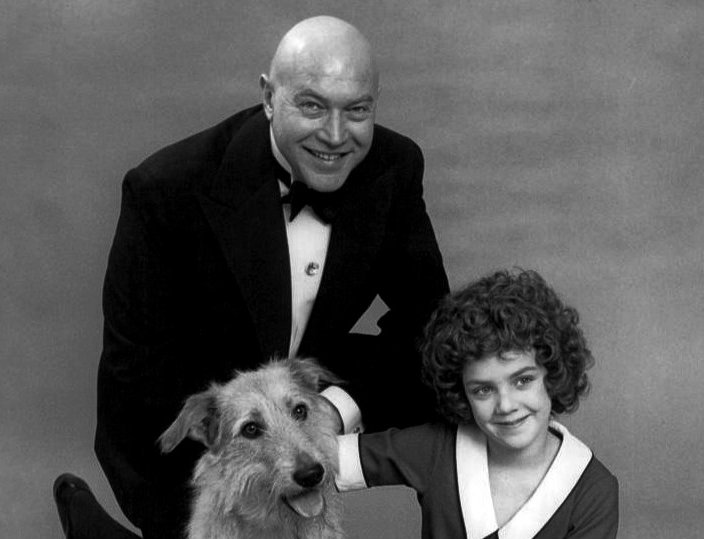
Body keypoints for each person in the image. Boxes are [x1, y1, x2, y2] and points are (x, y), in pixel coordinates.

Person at [88, 15, 448, 539]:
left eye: (357, 111)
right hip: (188, 426)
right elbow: (137, 381)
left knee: (455, 365)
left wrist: (326, 412)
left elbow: (430, 322)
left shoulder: (394, 165)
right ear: (267, 97)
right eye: (311, 105)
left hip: (301, 390)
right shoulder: (164, 190)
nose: (334, 135)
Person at [336, 269, 619, 538]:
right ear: (461, 393)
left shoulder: (593, 489)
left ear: (553, 373)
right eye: (483, 390)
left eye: (522, 381)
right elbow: (319, 456)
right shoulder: (438, 448)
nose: (506, 405)